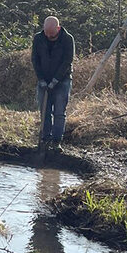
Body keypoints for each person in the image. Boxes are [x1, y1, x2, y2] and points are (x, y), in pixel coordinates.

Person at [30, 16, 74, 151]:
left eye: (52, 34)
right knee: (45, 111)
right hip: (44, 80)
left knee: (59, 112)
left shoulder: (67, 39)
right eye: (46, 33)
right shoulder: (38, 38)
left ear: (58, 29)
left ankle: (56, 141)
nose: (49, 36)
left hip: (62, 80)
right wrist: (41, 80)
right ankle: (45, 139)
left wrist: (55, 81)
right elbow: (35, 60)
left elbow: (67, 61)